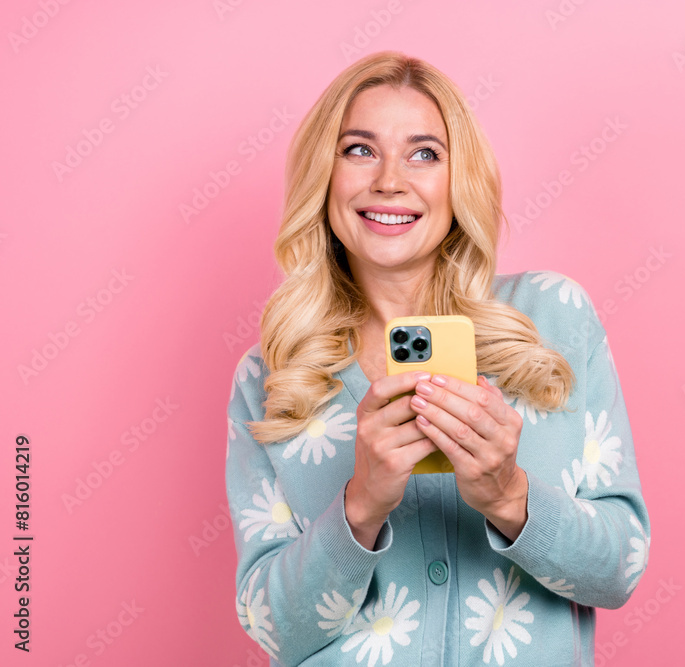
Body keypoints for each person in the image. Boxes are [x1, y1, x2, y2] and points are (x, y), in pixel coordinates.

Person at [225, 50, 650, 667]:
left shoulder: (553, 319)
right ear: (324, 175)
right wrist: (361, 505)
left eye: (424, 153)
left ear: (460, 181)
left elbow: (618, 571)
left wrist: (509, 496)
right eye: (359, 149)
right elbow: (273, 628)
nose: (390, 181)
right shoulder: (272, 378)